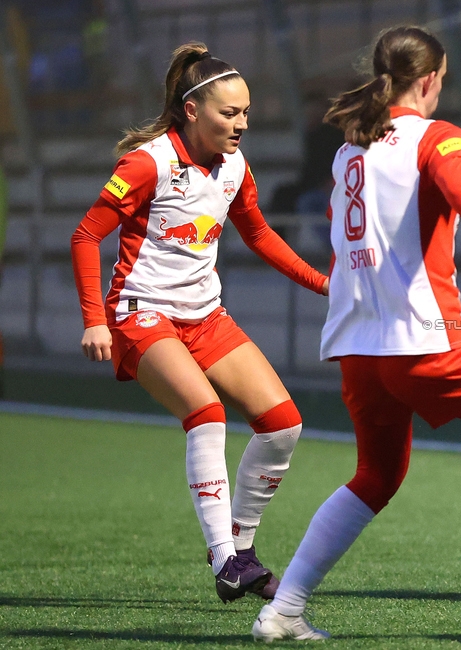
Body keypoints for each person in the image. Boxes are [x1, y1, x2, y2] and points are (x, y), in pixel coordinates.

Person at [250, 26, 461, 642]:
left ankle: (283, 609)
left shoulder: (348, 151)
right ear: (432, 79)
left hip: (360, 352)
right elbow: (459, 189)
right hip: (427, 344)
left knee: (376, 477)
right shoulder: (438, 136)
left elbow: (344, 236)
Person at [70, 43, 329, 604]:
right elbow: (86, 235)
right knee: (206, 414)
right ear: (192, 111)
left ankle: (242, 549)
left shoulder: (235, 165)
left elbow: (259, 234)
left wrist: (323, 282)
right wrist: (94, 320)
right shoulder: (147, 162)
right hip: (142, 313)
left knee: (283, 423)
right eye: (228, 113)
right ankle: (224, 559)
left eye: (245, 114)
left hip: (206, 314)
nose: (241, 124)